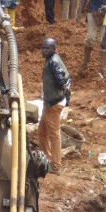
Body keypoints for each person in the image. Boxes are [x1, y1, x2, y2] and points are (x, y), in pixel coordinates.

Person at [38, 37, 70, 174]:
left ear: (53, 49)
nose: (43, 50)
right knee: (42, 132)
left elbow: (60, 79)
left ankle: (56, 165)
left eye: (47, 48)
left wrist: (63, 88)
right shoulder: (53, 59)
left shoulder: (53, 62)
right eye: (43, 47)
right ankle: (46, 158)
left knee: (54, 135)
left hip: (54, 104)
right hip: (49, 103)